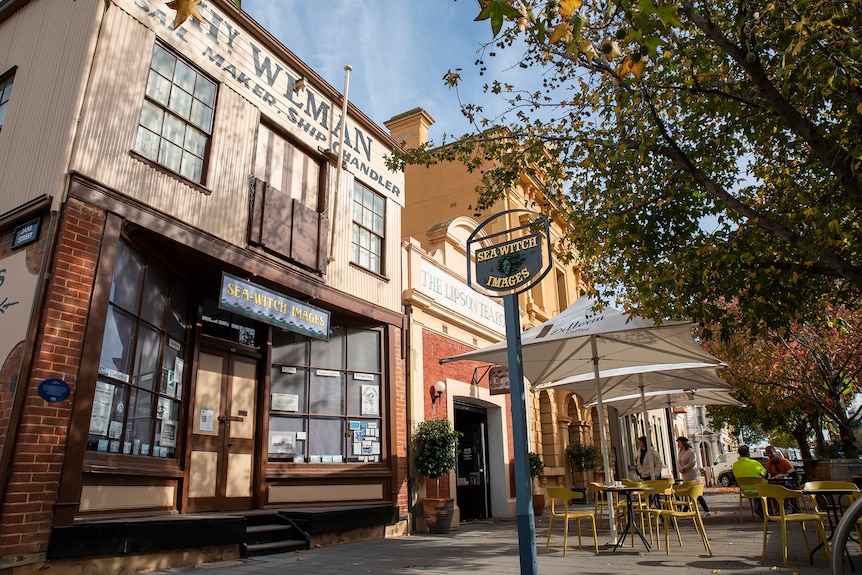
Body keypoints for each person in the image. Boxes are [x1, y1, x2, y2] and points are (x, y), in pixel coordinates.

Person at [676, 436, 711, 516]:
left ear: (683, 443)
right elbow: (678, 462)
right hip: (685, 475)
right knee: (688, 492)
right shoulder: (680, 452)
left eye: (679, 442)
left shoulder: (690, 451)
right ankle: (686, 509)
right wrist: (680, 468)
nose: (678, 444)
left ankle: (706, 509)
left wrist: (684, 468)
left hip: (693, 474)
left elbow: (692, 462)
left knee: (696, 493)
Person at [732, 445, 767, 517]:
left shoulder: (735, 465)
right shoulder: (755, 463)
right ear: (748, 454)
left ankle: (760, 507)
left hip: (745, 491)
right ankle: (768, 510)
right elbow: (764, 474)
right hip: (759, 490)